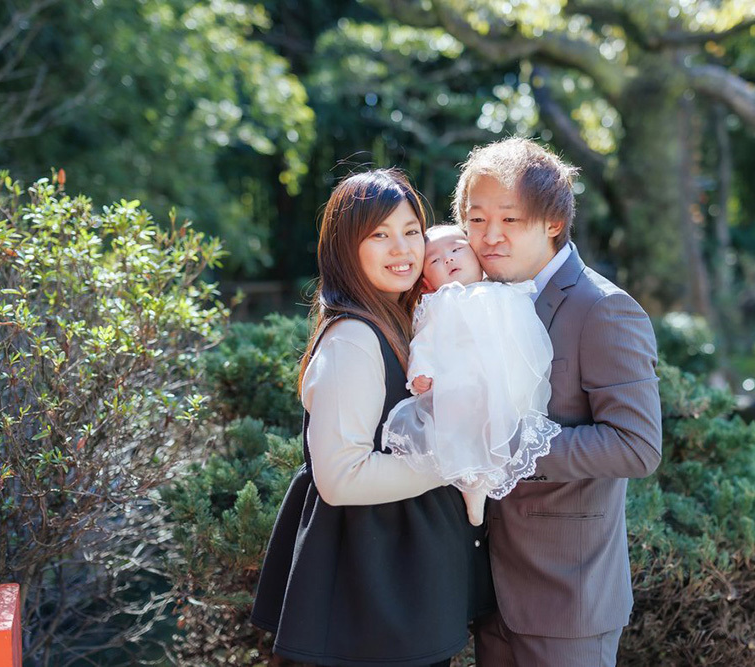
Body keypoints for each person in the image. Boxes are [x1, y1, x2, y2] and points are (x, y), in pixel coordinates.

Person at [251, 169, 494, 666]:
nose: (402, 248)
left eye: (410, 232)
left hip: (397, 583)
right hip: (368, 595)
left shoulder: (402, 322)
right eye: (379, 235)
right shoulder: (355, 340)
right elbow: (341, 477)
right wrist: (454, 457)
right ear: (346, 248)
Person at [453, 138, 663, 666]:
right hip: (487, 593)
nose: (489, 236)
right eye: (476, 220)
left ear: (552, 222)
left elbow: (637, 447)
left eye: (510, 219)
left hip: (569, 598)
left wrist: (512, 445)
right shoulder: (472, 299)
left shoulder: (604, 310)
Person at [382, 224, 561, 526]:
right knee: (463, 432)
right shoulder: (440, 302)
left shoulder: (504, 289)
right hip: (463, 383)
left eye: (456, 249)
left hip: (505, 378)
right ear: (426, 281)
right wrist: (421, 371)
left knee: (508, 421)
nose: (449, 259)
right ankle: (474, 488)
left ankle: (496, 479)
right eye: (435, 261)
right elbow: (423, 341)